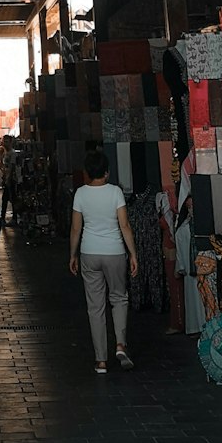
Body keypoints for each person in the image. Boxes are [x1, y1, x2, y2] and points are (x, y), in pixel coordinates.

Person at [69, 148, 140, 374]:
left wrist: (73, 254)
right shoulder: (115, 192)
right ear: (107, 173)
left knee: (95, 307)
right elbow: (125, 226)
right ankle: (120, 344)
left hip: (89, 252)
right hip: (115, 252)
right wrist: (133, 254)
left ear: (87, 173)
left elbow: (75, 228)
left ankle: (101, 360)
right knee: (119, 298)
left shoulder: (80, 194)